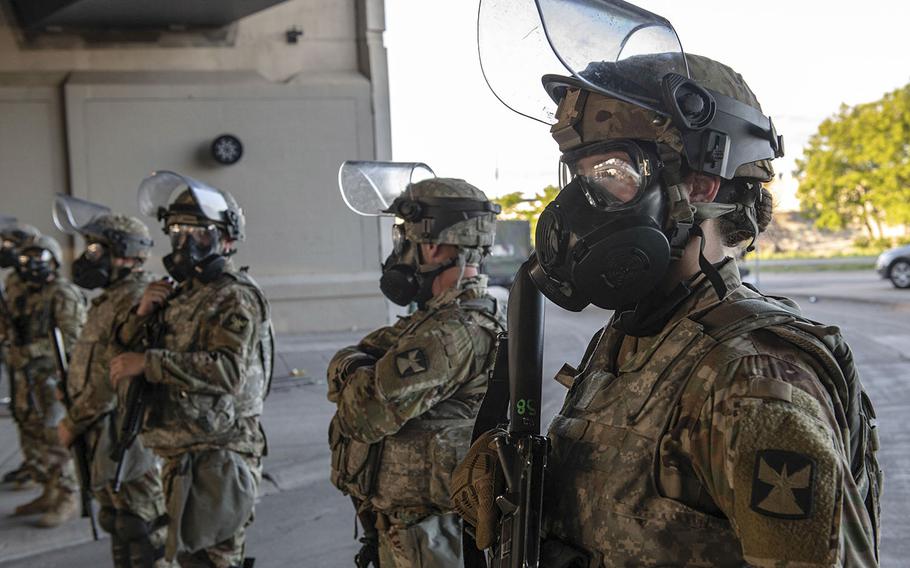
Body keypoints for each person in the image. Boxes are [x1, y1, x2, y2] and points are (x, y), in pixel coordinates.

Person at [452, 3, 881, 566]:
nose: (580, 207)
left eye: (610, 175)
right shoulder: (634, 337)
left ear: (699, 180)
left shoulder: (752, 379)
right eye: (579, 178)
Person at [329, 170, 505, 567]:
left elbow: (364, 414)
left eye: (406, 240)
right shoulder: (436, 319)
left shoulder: (452, 332)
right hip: (410, 530)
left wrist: (353, 370)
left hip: (429, 535)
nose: (400, 254)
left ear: (438, 247)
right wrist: (356, 365)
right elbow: (362, 353)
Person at [110, 171, 273, 568]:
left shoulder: (234, 295)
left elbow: (228, 371)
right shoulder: (182, 293)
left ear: (227, 238)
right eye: (178, 230)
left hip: (219, 452)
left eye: (199, 231)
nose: (185, 242)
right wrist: (142, 312)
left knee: (213, 560)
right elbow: (124, 353)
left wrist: (149, 364)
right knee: (188, 558)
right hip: (182, 450)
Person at [54, 199, 167, 568]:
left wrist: (73, 422)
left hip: (127, 434)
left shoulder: (136, 299)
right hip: (101, 431)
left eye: (98, 249)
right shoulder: (110, 299)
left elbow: (111, 374)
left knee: (143, 525)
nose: (90, 258)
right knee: (117, 521)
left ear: (128, 255)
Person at [5, 234, 86, 526]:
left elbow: (72, 339)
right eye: (26, 260)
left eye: (38, 259)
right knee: (31, 431)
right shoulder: (20, 291)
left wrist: (28, 351)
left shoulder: (62, 293)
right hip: (25, 377)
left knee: (55, 436)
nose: (31, 266)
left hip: (51, 377)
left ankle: (67, 495)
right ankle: (48, 490)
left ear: (53, 261)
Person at [0, 219, 42, 488]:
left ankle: (60, 485)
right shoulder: (15, 278)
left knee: (44, 419)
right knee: (23, 412)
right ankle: (34, 466)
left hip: (39, 361)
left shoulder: (37, 278)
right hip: (16, 353)